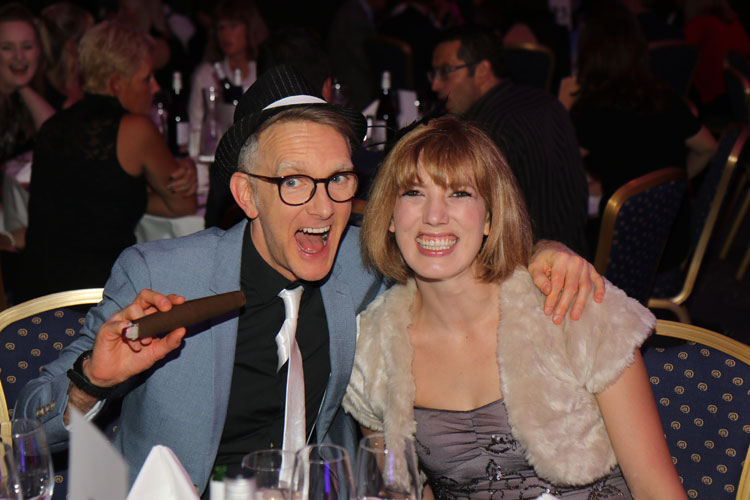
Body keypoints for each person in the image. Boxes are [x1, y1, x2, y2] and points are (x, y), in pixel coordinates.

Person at [15, 65, 604, 496]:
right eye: (294, 182)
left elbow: (456, 245)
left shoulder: (362, 263)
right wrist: (91, 382)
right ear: (247, 194)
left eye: (338, 179)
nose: (323, 208)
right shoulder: (162, 275)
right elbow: (27, 429)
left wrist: (544, 254)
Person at [343, 116, 688, 499]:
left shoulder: (570, 306)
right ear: (390, 215)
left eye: (459, 193)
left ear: (490, 217)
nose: (434, 216)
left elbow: (656, 490)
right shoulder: (373, 354)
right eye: (413, 193)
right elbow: (402, 491)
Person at [19, 20, 197, 300]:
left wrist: (130, 194)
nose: (155, 88)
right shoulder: (136, 129)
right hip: (97, 299)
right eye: (146, 78)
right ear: (116, 84)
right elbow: (182, 204)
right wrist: (188, 170)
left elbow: (93, 197)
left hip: (35, 297)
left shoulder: (53, 126)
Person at [565, 6, 717, 257]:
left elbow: (556, 169)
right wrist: (664, 189)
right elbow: (708, 147)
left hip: (616, 252)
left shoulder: (591, 111)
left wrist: (563, 106)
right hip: (670, 245)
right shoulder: (664, 96)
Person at [429, 25, 590, 258]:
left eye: (446, 71)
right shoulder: (546, 102)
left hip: (528, 267)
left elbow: (467, 226)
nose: (435, 85)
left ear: (482, 70)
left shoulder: (482, 132)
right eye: (434, 74)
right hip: (577, 258)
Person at [188, 0, 268, 150]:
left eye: (233, 26)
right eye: (221, 28)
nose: (225, 34)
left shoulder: (264, 71)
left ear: (250, 28)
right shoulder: (206, 74)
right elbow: (195, 127)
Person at [0, 2, 55, 163]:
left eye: (27, 46)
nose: (19, 57)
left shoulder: (20, 95)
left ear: (39, 51)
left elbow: (55, 137)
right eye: (7, 47)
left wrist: (23, 87)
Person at [38, 2, 94, 110]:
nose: (97, 44)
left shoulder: (90, 82)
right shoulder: (46, 98)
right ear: (72, 47)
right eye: (91, 38)